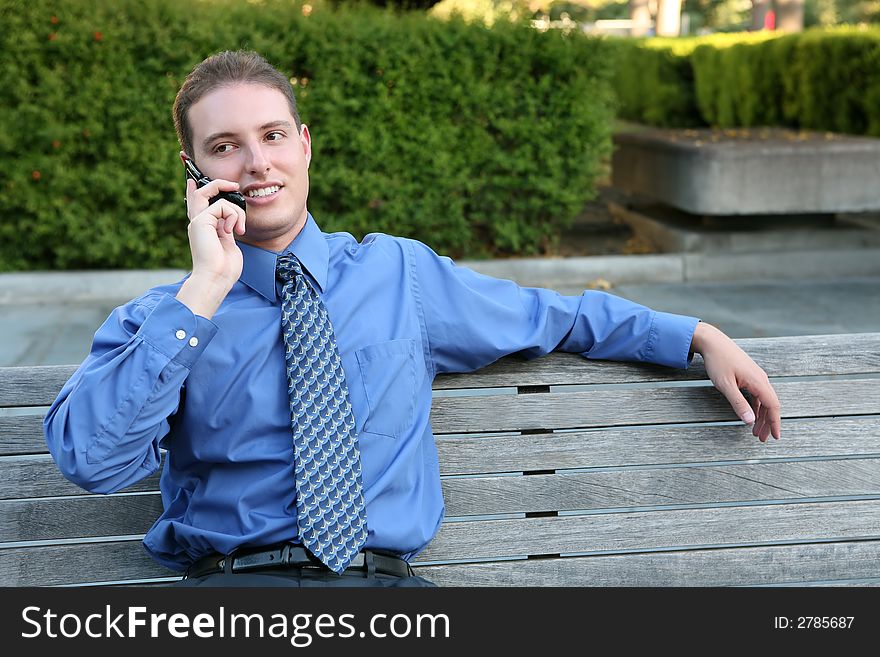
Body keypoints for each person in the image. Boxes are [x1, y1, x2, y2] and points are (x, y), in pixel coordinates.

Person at [44, 50, 781, 588]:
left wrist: (694, 335)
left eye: (272, 135)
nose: (257, 163)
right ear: (195, 172)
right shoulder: (166, 318)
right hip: (238, 592)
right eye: (225, 146)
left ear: (304, 145)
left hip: (390, 596)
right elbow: (93, 460)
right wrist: (205, 290)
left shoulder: (400, 274)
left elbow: (554, 316)